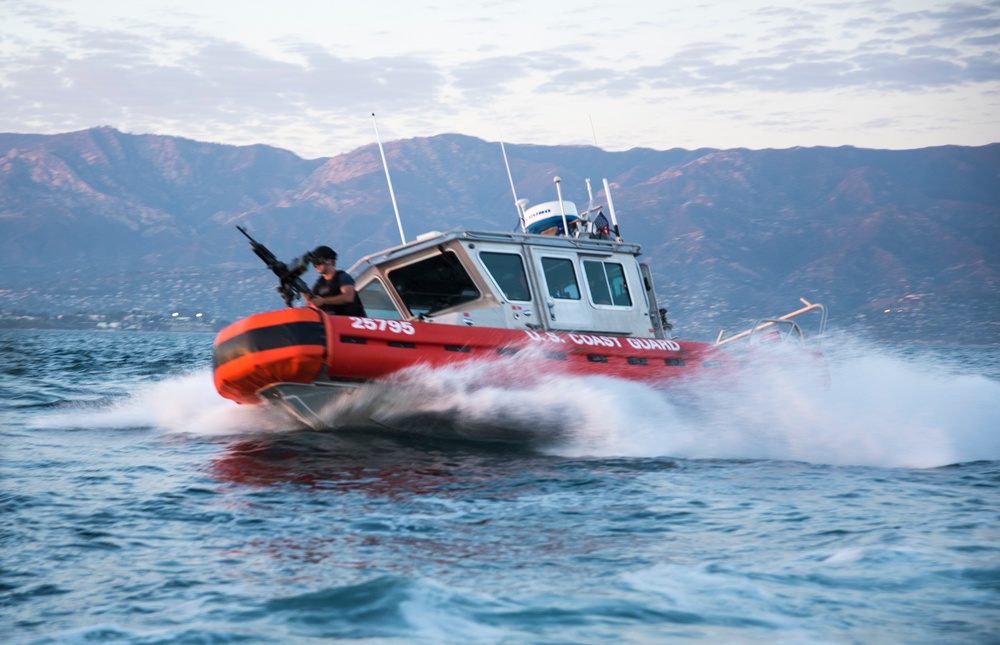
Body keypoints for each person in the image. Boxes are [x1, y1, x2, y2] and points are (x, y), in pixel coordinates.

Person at [304, 245, 366, 316]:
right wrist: (309, 301)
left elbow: (348, 297)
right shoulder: (319, 284)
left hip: (349, 322)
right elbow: (310, 305)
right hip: (331, 324)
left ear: (329, 261)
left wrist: (324, 301)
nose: (316, 265)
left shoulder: (342, 277)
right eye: (314, 263)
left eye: (318, 261)